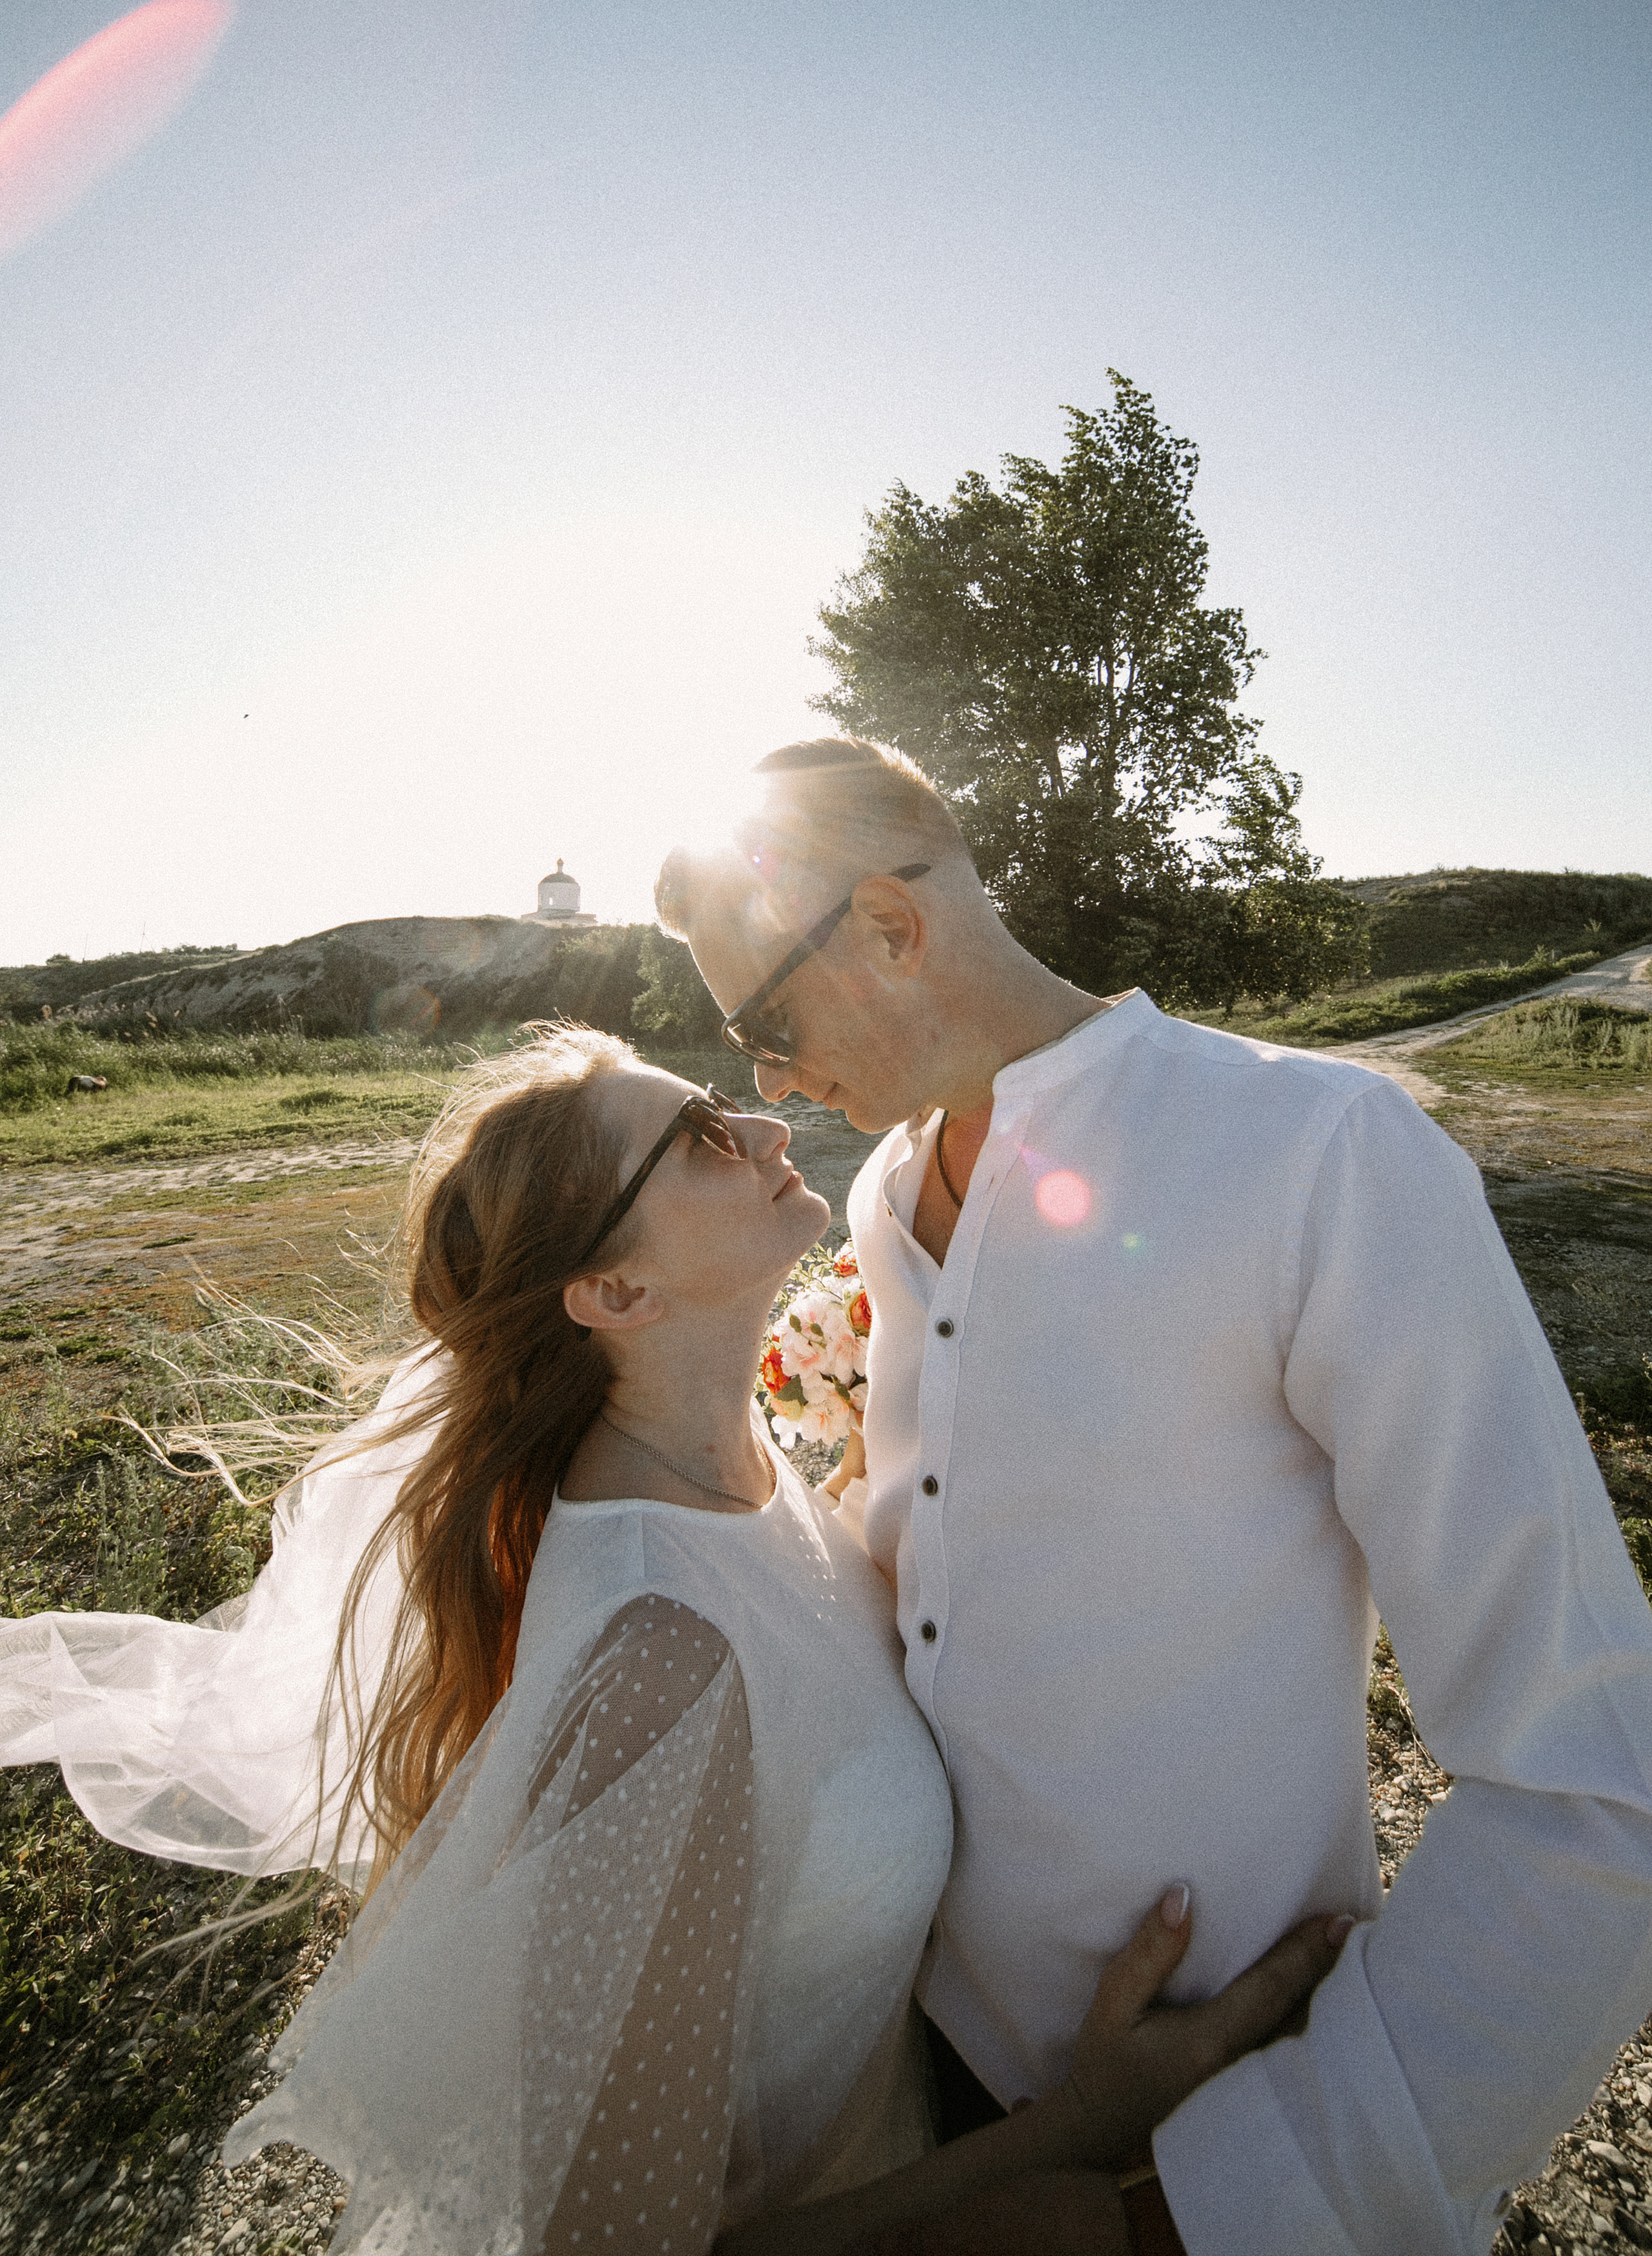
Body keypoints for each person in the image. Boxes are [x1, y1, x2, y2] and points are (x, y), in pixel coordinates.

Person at [0, 1026, 1347, 2255]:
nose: (763, 1126)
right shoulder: (658, 1658)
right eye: (698, 1136)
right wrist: (1082, 2124)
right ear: (614, 1294)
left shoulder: (741, 1474)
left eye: (722, 1105)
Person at [657, 737, 1652, 2256]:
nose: (774, 1086)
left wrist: (1248, 2193)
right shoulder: (875, 1198)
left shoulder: (1322, 1152)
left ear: (889, 927)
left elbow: (1588, 1770)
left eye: (765, 1026)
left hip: (1227, 2139)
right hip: (924, 2100)